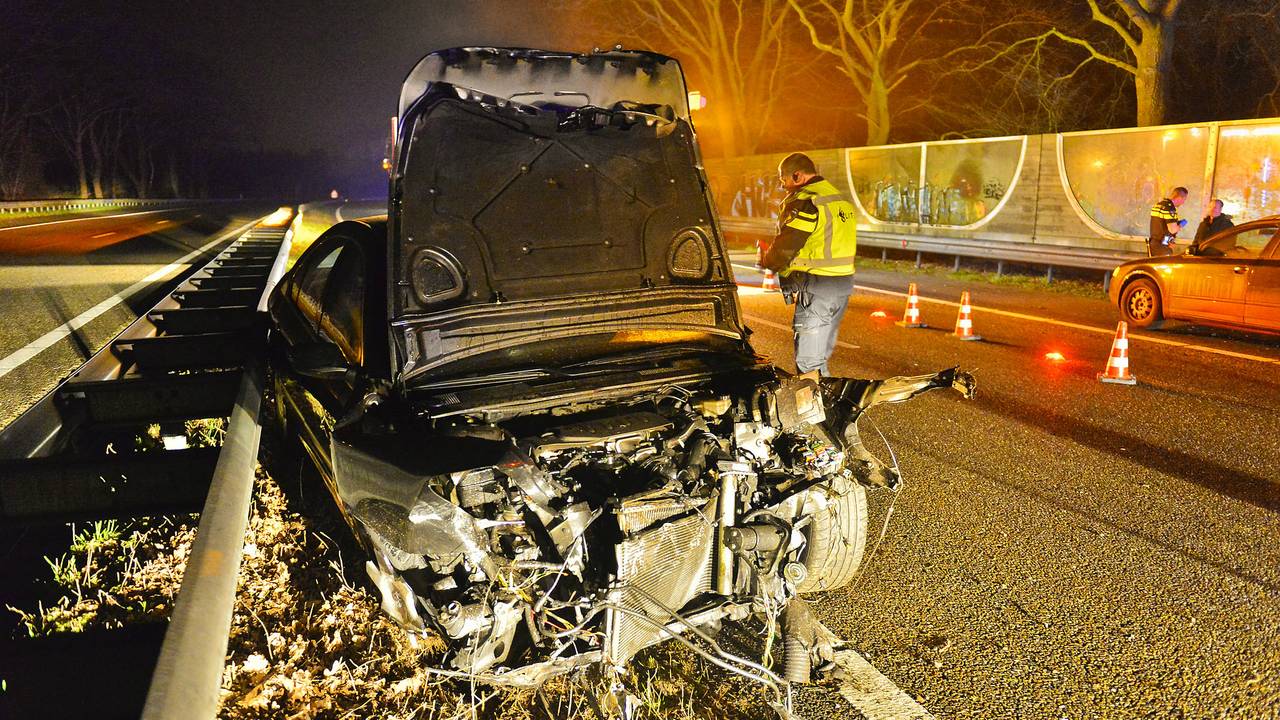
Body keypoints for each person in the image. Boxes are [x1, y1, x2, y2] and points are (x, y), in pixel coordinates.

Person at [760, 152, 857, 377]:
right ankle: (826, 396)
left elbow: (789, 243)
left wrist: (769, 260)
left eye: (783, 179)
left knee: (808, 362)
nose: (782, 186)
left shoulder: (807, 199)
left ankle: (816, 400)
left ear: (797, 176)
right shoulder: (837, 198)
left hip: (817, 286)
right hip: (842, 286)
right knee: (819, 358)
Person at [1148, 186, 1188, 256]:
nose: (1183, 203)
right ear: (1179, 198)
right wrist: (1180, 225)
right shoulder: (1169, 208)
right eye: (1184, 200)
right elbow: (1172, 230)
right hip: (1162, 247)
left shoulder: (1158, 205)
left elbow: (1161, 225)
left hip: (1154, 244)